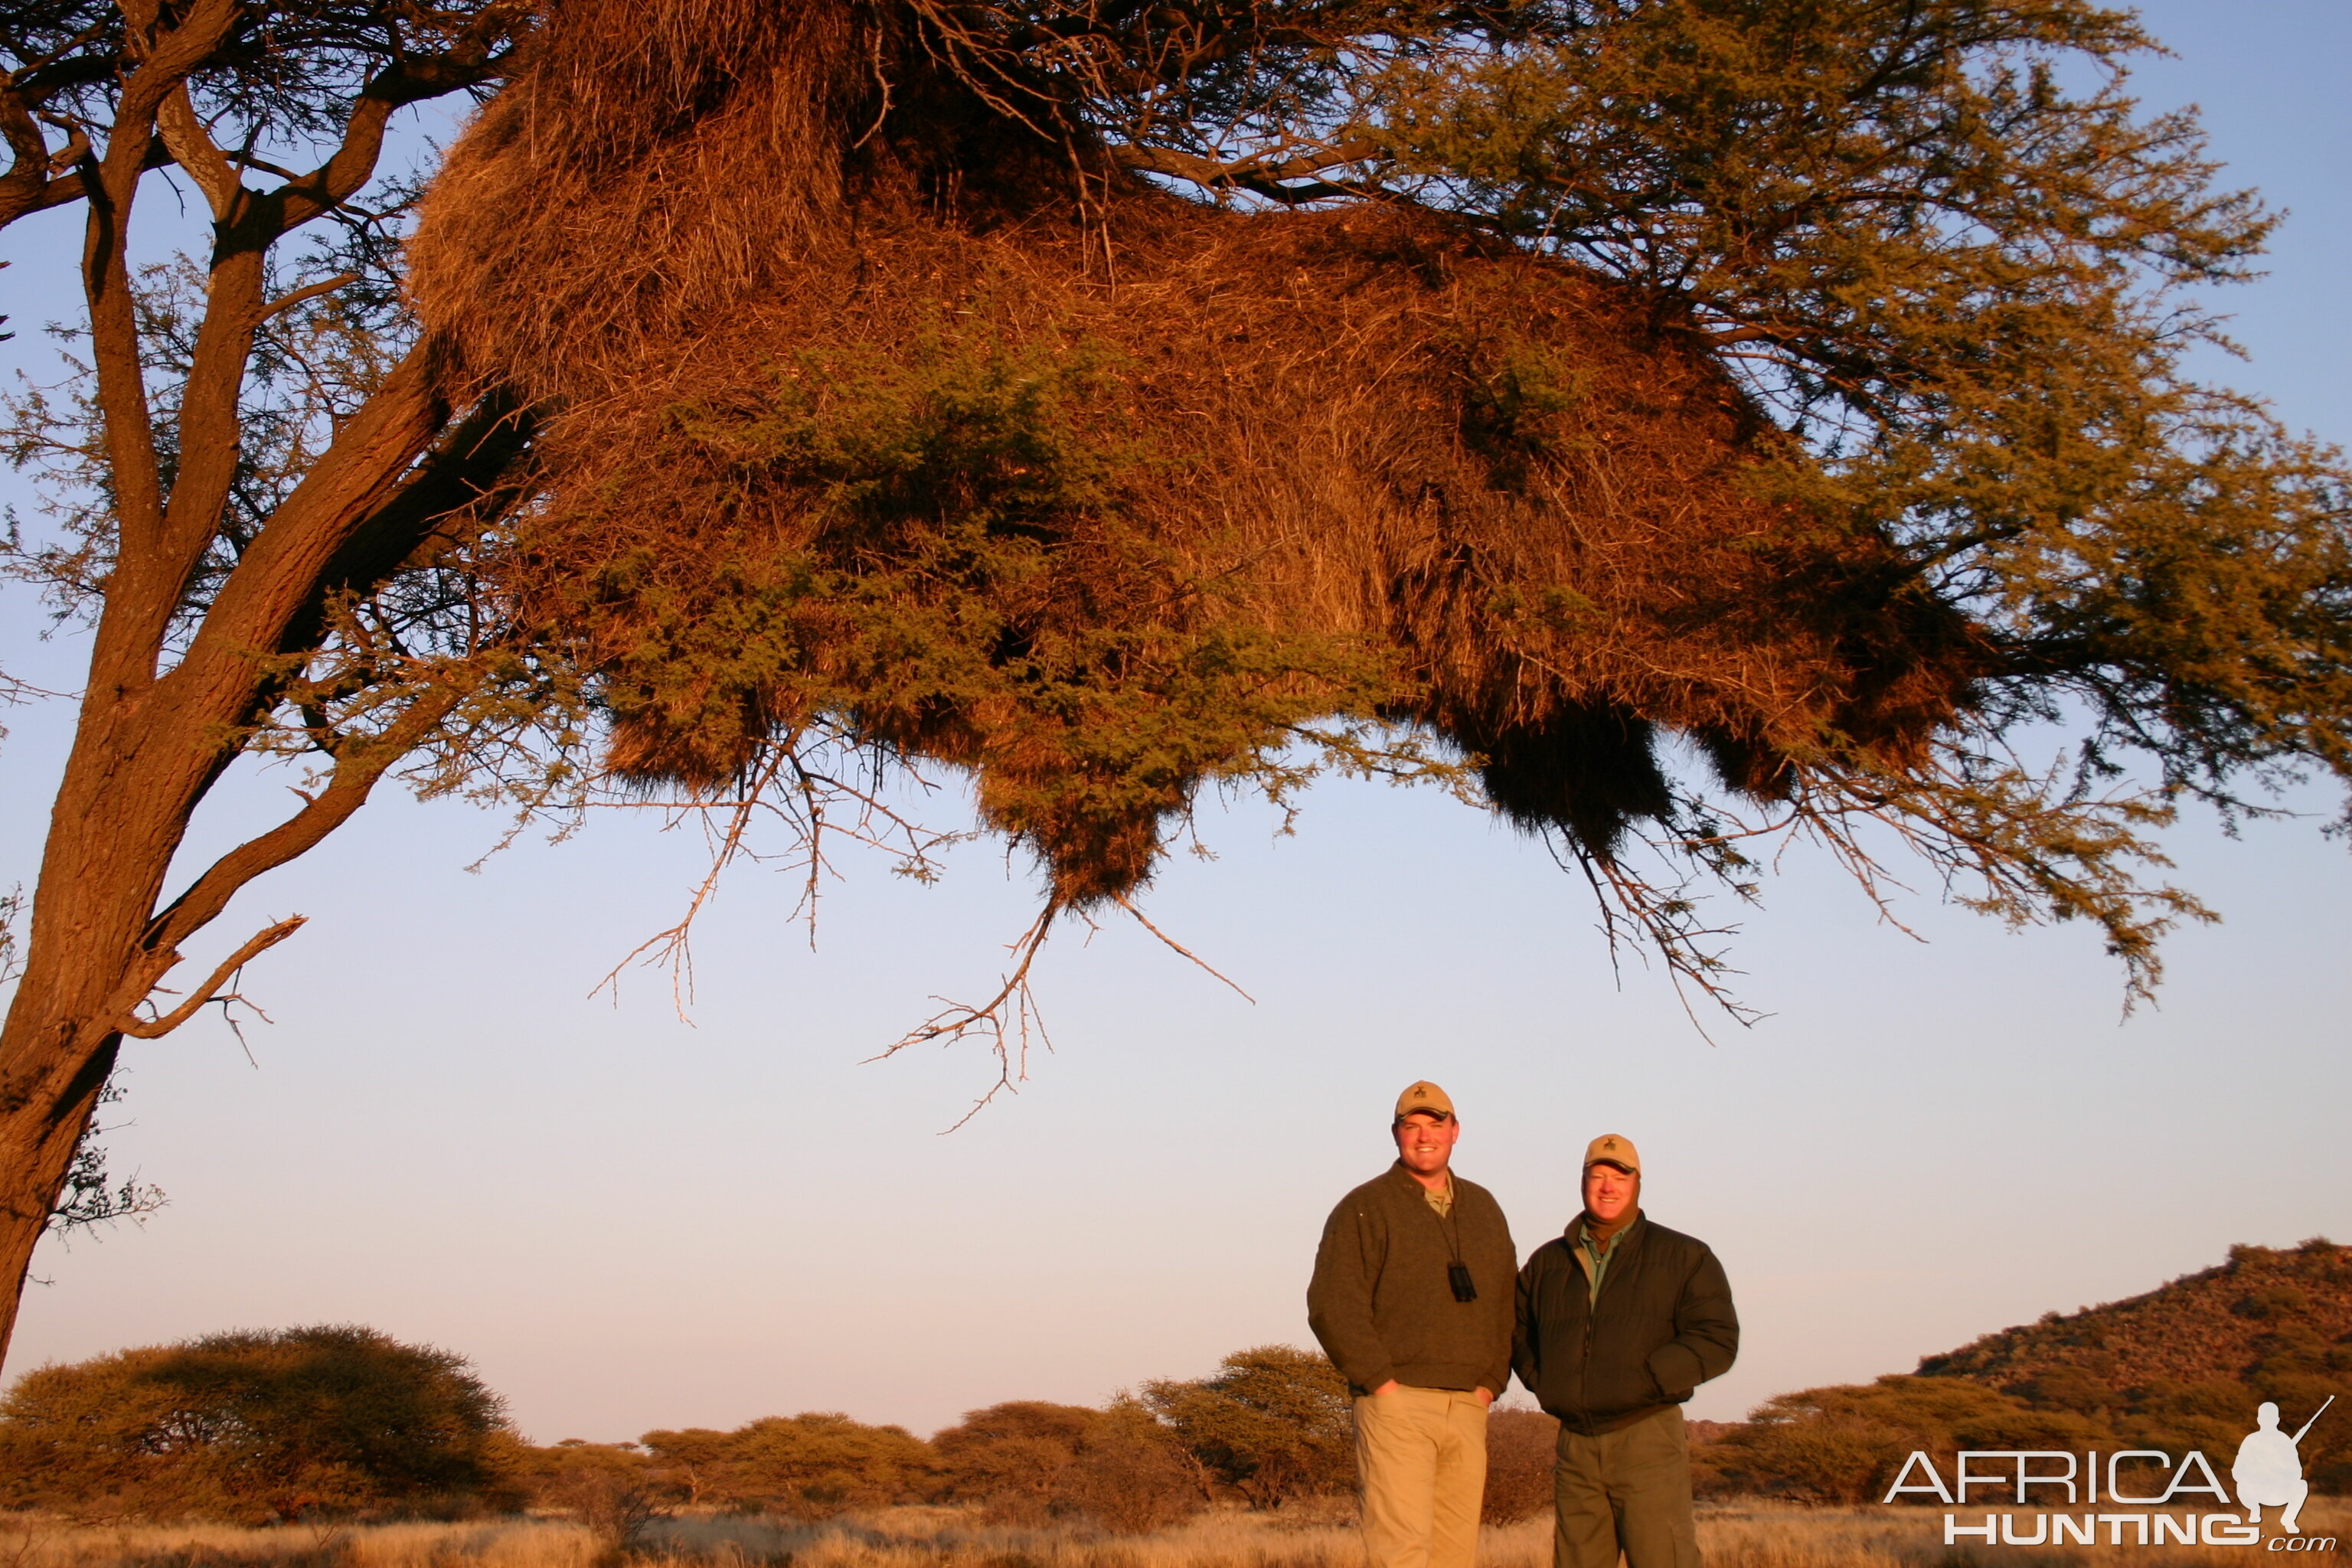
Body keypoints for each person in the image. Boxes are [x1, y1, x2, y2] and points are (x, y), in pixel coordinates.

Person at [1308, 1081, 1518, 1568]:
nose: (1425, 1136)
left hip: (1468, 1405)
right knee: (1400, 1553)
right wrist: (1381, 1383)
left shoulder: (1485, 1208)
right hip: (1396, 1405)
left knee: (1455, 1555)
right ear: (1395, 1134)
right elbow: (1332, 1304)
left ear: (1456, 1132)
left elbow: (1509, 1302)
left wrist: (1490, 1382)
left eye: (1435, 1124)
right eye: (1412, 1126)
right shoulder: (1364, 1206)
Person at [1514, 1135, 1737, 1568]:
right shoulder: (1547, 1263)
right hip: (1575, 1444)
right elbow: (1519, 1332)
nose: (1608, 1186)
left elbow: (1717, 1338)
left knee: (1664, 1558)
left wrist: (1648, 1380)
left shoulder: (1684, 1255)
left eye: (1620, 1176)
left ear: (1637, 1183)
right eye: (1598, 1176)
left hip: (1648, 1436)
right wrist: (1546, 1384)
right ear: (1583, 1183)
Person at [2233, 1400, 2314, 1534]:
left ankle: (2288, 1520)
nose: (2267, 1421)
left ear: (2277, 1420)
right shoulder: (2250, 1440)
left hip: (2278, 1491)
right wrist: (2256, 1473)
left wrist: (2279, 1469)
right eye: (2265, 1418)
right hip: (2254, 1491)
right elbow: (2237, 1472)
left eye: (2270, 1419)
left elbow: (2297, 1473)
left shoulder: (2285, 1441)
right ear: (2259, 1420)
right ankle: (2254, 1509)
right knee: (2241, 1485)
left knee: (2302, 1485)